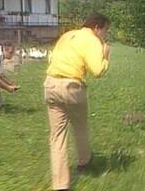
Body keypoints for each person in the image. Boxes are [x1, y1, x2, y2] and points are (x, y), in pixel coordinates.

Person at [44, 13, 111, 191]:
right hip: (72, 86)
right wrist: (105, 56)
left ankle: (60, 185)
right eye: (105, 31)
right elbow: (97, 71)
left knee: (57, 136)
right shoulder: (92, 40)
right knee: (80, 127)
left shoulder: (67, 35)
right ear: (97, 27)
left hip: (50, 84)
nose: (104, 35)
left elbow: (51, 59)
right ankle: (84, 162)